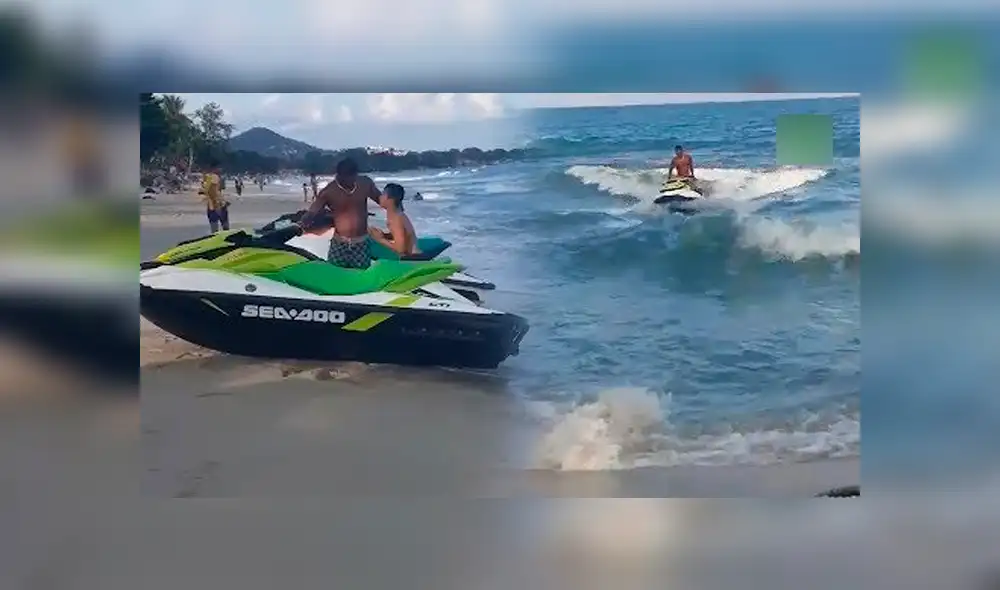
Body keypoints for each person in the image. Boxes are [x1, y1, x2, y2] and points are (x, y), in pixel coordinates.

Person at [297, 157, 382, 269]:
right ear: (338, 175)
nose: (348, 180)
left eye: (351, 177)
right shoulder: (329, 191)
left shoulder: (365, 184)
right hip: (339, 243)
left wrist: (398, 219)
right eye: (343, 177)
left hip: (361, 243)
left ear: (355, 174)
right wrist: (301, 223)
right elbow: (312, 212)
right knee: (334, 276)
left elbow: (384, 202)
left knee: (361, 278)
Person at [368, 183, 420, 257]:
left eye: (382, 194)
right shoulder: (399, 214)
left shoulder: (395, 219)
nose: (380, 197)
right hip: (414, 255)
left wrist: (380, 239)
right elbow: (403, 235)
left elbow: (401, 249)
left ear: (389, 199)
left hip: (412, 259)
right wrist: (384, 235)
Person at [201, 161, 230, 232]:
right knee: (224, 228)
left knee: (215, 228)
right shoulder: (213, 177)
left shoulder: (209, 177)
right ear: (215, 168)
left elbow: (218, 190)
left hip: (215, 204)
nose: (221, 169)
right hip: (217, 205)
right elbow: (212, 192)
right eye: (219, 168)